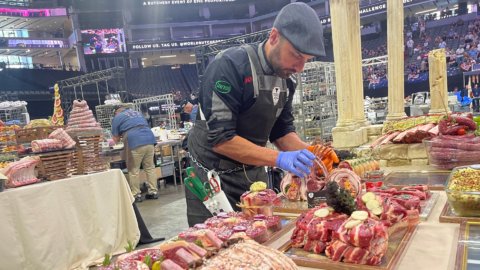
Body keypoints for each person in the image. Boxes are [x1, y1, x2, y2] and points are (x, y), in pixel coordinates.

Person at [185, 2, 327, 226]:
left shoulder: (287, 81)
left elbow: (282, 133)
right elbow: (222, 140)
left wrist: (315, 156)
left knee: (262, 235)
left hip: (252, 173)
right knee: (217, 245)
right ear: (273, 37)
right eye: (296, 55)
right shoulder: (230, 66)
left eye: (306, 60)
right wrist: (279, 159)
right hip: (211, 178)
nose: (300, 67)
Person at [112, 106, 158, 203]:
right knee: (150, 167)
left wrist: (117, 140)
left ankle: (136, 194)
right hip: (149, 139)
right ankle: (153, 192)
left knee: (133, 169)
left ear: (116, 112)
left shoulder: (118, 117)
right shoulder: (137, 113)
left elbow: (115, 139)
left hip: (135, 141)